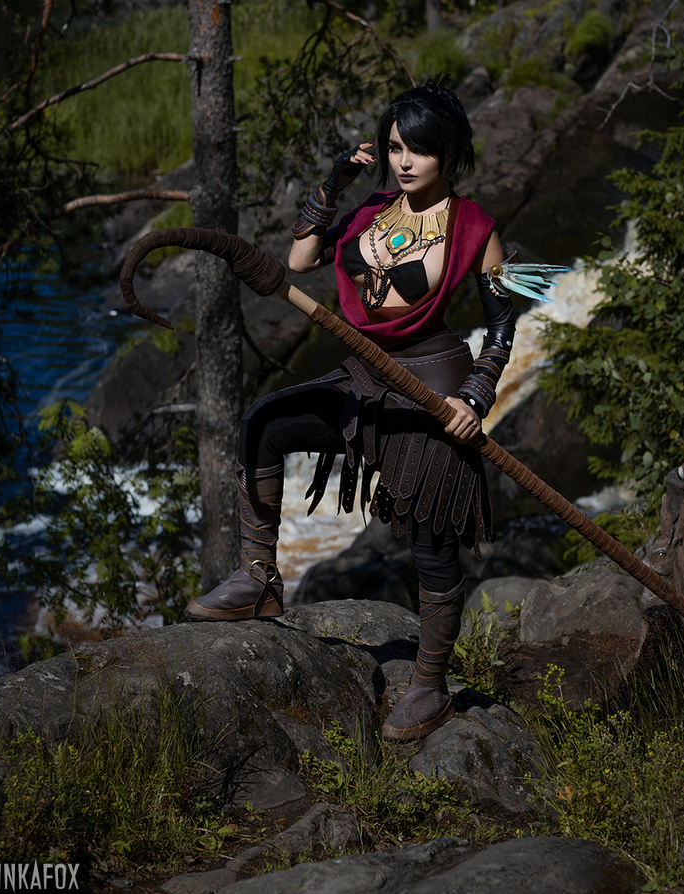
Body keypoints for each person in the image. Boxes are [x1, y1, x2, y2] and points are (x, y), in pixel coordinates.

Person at [184, 75, 515, 741]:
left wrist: (474, 398)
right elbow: (301, 257)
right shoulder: (372, 212)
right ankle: (259, 578)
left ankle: (430, 686)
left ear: (449, 154)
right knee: (265, 423)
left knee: (431, 543)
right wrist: (334, 184)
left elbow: (505, 323)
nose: (404, 161)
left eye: (419, 149)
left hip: (434, 386)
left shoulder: (478, 229)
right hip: (363, 375)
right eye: (395, 147)